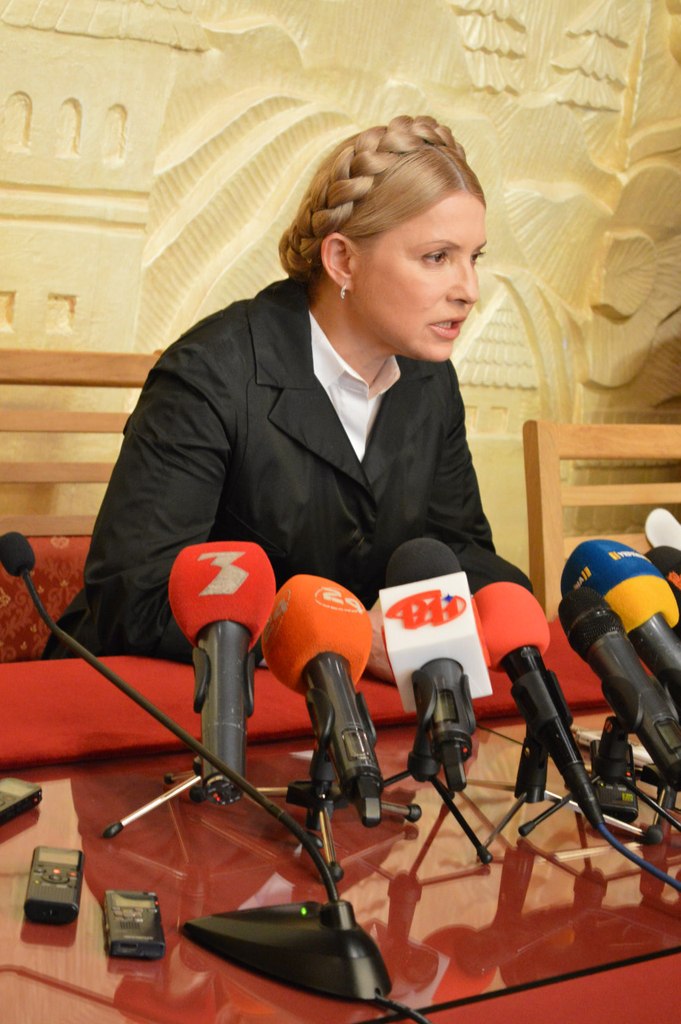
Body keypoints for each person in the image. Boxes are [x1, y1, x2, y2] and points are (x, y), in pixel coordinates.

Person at [45, 114, 530, 675]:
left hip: (332, 699)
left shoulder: (429, 379)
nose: (469, 290)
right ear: (342, 259)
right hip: (150, 691)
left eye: (474, 257)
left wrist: (500, 602)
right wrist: (348, 636)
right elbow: (135, 599)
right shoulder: (208, 375)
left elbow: (457, 551)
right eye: (437, 257)